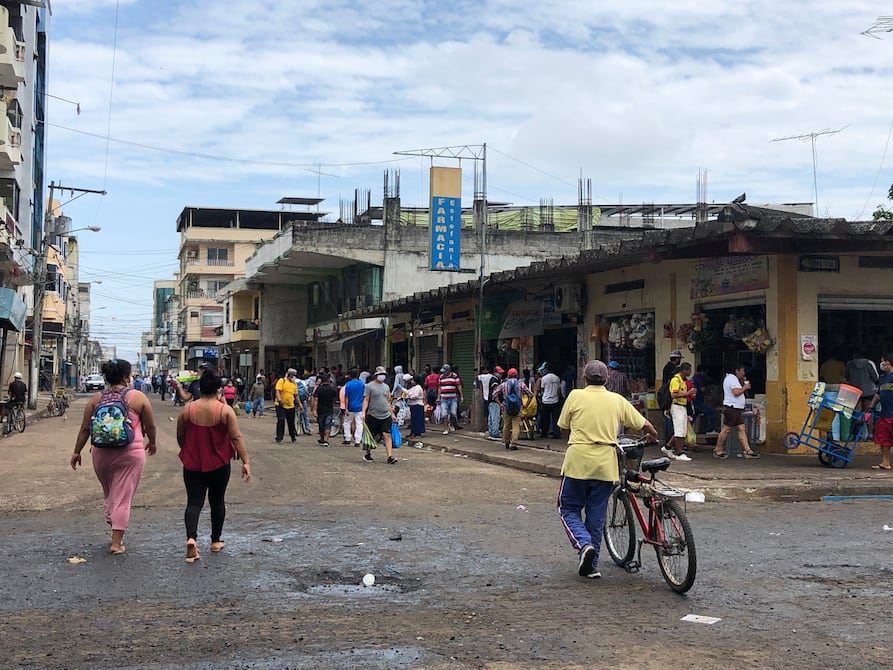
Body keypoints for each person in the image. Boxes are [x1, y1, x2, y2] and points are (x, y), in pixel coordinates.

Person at [557, 360, 658, 579]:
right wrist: (654, 436)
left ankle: (584, 546)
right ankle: (591, 566)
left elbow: (563, 427)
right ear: (607, 379)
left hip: (578, 461)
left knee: (568, 508)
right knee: (596, 515)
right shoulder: (617, 400)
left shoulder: (575, 396)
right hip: (605, 464)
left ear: (584, 378)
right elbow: (645, 425)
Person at [70, 359, 157, 555]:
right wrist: (152, 442)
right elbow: (150, 426)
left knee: (110, 492)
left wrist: (77, 451)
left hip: (101, 453)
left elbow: (85, 429)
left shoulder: (96, 399)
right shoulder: (138, 397)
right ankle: (116, 543)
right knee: (122, 497)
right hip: (130, 452)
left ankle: (113, 517)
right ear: (127, 377)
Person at [176, 369, 250, 563]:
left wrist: (188, 450)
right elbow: (236, 437)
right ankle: (215, 541)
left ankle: (191, 538)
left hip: (192, 463)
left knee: (194, 502)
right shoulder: (224, 411)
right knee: (217, 501)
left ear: (200, 388)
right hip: (219, 463)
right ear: (219, 390)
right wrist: (246, 461)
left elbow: (181, 436)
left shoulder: (187, 410)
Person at [714, 363, 760, 459]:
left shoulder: (734, 379)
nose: (743, 373)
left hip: (737, 408)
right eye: (742, 371)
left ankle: (747, 450)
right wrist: (745, 388)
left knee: (741, 428)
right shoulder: (732, 379)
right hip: (732, 407)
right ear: (737, 371)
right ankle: (718, 449)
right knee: (726, 429)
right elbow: (736, 392)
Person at [362, 365, 398, 464]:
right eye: (381, 374)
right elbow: (366, 400)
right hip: (373, 415)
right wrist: (363, 412)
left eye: (384, 374)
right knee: (371, 435)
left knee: (387, 435)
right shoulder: (369, 386)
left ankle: (390, 456)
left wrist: (392, 414)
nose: (382, 376)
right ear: (376, 375)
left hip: (386, 415)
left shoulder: (386, 387)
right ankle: (368, 453)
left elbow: (388, 402)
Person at [491, 368, 533, 450]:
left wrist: (500, 404)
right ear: (517, 375)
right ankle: (514, 443)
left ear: (508, 375)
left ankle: (507, 442)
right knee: (516, 426)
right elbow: (530, 395)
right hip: (518, 407)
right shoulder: (521, 384)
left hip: (506, 407)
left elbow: (494, 394)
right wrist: (526, 405)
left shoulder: (503, 384)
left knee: (506, 425)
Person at [661, 361, 695, 462]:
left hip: (682, 406)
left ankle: (667, 447)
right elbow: (673, 395)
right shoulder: (676, 380)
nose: (690, 372)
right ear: (684, 370)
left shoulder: (683, 380)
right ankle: (679, 452)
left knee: (681, 429)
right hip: (676, 406)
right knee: (679, 431)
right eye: (689, 370)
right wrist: (687, 393)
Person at [868, 354, 893, 470]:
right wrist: (871, 406)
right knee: (884, 440)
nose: (881, 364)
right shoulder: (883, 379)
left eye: (883, 361)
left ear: (888, 362)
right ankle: (885, 462)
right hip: (884, 414)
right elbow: (878, 395)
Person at [274, 368, 303, 443]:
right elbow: (277, 391)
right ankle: (279, 437)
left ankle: (292, 436)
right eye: (292, 375)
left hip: (290, 406)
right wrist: (279, 400)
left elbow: (296, 395)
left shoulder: (294, 384)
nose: (293, 377)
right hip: (281, 405)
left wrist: (300, 404)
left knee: (291, 422)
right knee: (281, 420)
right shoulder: (282, 381)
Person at [534, 362, 562, 439]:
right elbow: (559, 390)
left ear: (546, 369)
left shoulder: (544, 378)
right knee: (555, 419)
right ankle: (556, 433)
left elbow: (542, 389)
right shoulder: (557, 378)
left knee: (545, 419)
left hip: (545, 401)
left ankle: (544, 433)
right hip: (555, 400)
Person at [310, 374, 338, 447]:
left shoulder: (319, 389)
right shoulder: (332, 389)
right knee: (328, 425)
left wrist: (314, 410)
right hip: (329, 409)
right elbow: (335, 398)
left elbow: (316, 400)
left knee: (321, 425)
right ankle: (326, 440)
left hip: (320, 410)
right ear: (328, 380)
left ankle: (322, 439)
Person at [436, 364, 464, 435]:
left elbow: (459, 386)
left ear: (448, 371)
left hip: (453, 398)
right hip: (443, 398)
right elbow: (439, 388)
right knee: (444, 414)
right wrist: (438, 397)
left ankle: (451, 424)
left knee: (453, 412)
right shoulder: (441, 377)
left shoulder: (455, 376)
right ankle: (446, 428)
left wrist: (461, 396)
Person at [342, 368, 366, 447]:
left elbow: (346, 397)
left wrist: (346, 407)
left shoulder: (348, 384)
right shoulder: (362, 384)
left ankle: (347, 438)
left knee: (347, 422)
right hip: (359, 407)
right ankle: (358, 440)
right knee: (359, 423)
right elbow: (364, 396)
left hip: (350, 407)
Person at [690, 365, 716, 434]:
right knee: (711, 411)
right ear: (702, 371)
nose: (705, 374)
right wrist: (710, 390)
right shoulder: (700, 378)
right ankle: (710, 430)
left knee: (692, 417)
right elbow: (702, 389)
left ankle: (686, 429)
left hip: (694, 401)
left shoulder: (693, 378)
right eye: (705, 372)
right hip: (698, 401)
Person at [404, 374, 426, 438]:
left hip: (417, 405)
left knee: (417, 420)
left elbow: (415, 396)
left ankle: (417, 433)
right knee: (413, 420)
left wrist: (409, 397)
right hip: (413, 405)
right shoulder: (414, 387)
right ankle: (413, 432)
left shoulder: (418, 387)